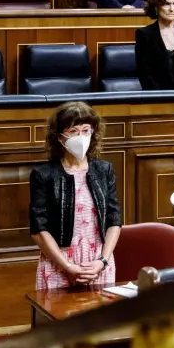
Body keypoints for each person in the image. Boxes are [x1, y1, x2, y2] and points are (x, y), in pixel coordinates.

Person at [30, 101, 122, 290]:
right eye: (73, 131)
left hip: (97, 262)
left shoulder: (104, 170)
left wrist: (102, 261)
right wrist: (67, 266)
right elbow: (39, 230)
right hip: (59, 263)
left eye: (86, 130)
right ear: (60, 137)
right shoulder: (44, 175)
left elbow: (114, 220)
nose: (81, 137)